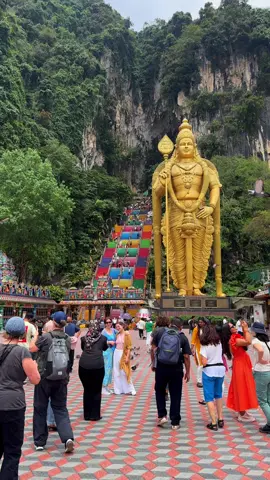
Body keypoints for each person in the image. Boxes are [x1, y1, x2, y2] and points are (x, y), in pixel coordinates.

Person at [0, 317, 40, 479]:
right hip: (13, 404)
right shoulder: (22, 352)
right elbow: (35, 379)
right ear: (23, 333)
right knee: (12, 450)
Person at [30, 311, 74, 453]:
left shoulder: (45, 338)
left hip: (44, 378)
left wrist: (37, 333)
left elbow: (32, 348)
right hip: (61, 379)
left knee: (40, 408)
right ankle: (67, 438)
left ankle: (40, 441)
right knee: (60, 409)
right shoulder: (67, 338)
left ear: (53, 322)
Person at [151, 317, 191, 430]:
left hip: (161, 367)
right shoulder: (182, 336)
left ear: (170, 324)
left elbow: (153, 349)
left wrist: (154, 364)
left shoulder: (159, 333)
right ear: (180, 327)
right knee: (176, 394)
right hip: (176, 369)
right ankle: (175, 421)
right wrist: (188, 372)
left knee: (159, 390)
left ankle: (162, 415)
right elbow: (187, 356)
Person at [222, 320, 258, 422]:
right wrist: (246, 329)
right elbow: (248, 341)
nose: (234, 326)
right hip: (241, 365)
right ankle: (242, 413)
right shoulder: (234, 339)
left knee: (241, 387)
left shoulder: (234, 338)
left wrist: (244, 330)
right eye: (231, 326)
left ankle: (242, 411)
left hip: (240, 364)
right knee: (242, 387)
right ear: (229, 331)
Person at [79, 323, 108, 420]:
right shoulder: (103, 338)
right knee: (96, 390)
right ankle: (95, 415)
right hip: (97, 367)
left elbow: (83, 348)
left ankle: (87, 415)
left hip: (83, 366)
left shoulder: (84, 338)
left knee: (87, 390)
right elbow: (105, 348)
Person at [200, 324, 226, 431]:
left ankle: (213, 422)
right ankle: (220, 418)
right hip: (220, 370)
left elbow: (204, 362)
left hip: (209, 370)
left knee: (209, 397)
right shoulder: (218, 343)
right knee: (218, 395)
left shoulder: (204, 346)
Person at [250, 322, 270, 433]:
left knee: (262, 400)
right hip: (269, 371)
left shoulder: (256, 341)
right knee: (269, 399)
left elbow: (260, 350)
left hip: (261, 372)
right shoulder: (268, 341)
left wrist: (260, 359)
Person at [113, 320, 136, 395]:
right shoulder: (117, 334)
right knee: (116, 372)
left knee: (125, 372)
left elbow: (129, 347)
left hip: (123, 354)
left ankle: (130, 388)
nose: (117, 328)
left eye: (119, 326)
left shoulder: (127, 334)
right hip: (116, 353)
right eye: (116, 327)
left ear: (123, 326)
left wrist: (127, 357)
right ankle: (118, 389)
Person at [191, 317, 209, 387]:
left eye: (202, 322)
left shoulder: (207, 329)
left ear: (205, 322)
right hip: (199, 349)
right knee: (200, 365)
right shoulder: (196, 329)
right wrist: (192, 349)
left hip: (207, 349)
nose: (200, 323)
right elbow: (193, 340)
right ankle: (199, 381)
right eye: (199, 322)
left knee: (206, 364)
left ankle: (206, 379)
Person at [101, 318, 117, 395]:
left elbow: (120, 333)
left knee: (110, 369)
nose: (108, 324)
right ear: (105, 323)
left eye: (110, 322)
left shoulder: (114, 330)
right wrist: (109, 342)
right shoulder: (103, 332)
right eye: (107, 322)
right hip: (106, 351)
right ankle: (103, 386)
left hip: (113, 351)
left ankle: (107, 386)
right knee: (106, 368)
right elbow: (101, 341)